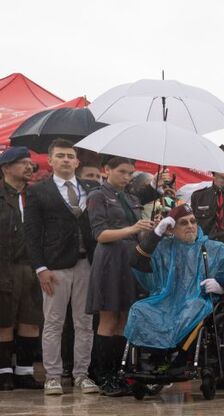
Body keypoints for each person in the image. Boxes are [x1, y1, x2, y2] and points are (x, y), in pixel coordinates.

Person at [125, 204, 224, 355]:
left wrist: (221, 287)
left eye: (193, 221)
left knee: (190, 309)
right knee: (139, 309)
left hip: (198, 301)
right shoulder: (164, 248)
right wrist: (156, 233)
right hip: (165, 301)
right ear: (172, 229)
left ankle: (178, 356)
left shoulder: (215, 249)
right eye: (183, 222)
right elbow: (136, 262)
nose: (190, 226)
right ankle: (154, 355)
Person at [24, 139, 100, 395]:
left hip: (86, 263)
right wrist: (40, 268)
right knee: (54, 322)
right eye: (60, 155)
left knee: (85, 322)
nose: (66, 159)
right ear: (51, 160)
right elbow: (32, 233)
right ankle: (53, 376)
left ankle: (82, 374)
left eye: (70, 156)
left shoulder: (91, 188)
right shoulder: (38, 191)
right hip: (55, 265)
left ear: (77, 162)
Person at [86, 155, 154, 396]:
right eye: (122, 172)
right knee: (109, 318)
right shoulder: (97, 195)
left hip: (131, 259)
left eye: (130, 173)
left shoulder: (132, 198)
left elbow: (137, 233)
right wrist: (132, 228)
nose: (127, 177)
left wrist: (150, 228)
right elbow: (100, 234)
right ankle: (103, 375)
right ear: (107, 170)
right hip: (110, 260)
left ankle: (119, 372)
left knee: (125, 318)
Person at [0, 146, 41, 390]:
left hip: (32, 266)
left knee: (31, 319)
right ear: (6, 168)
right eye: (22, 162)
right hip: (4, 265)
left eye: (30, 163)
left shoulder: (34, 195)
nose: (29, 166)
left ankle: (25, 371)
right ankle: (3, 372)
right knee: (4, 320)